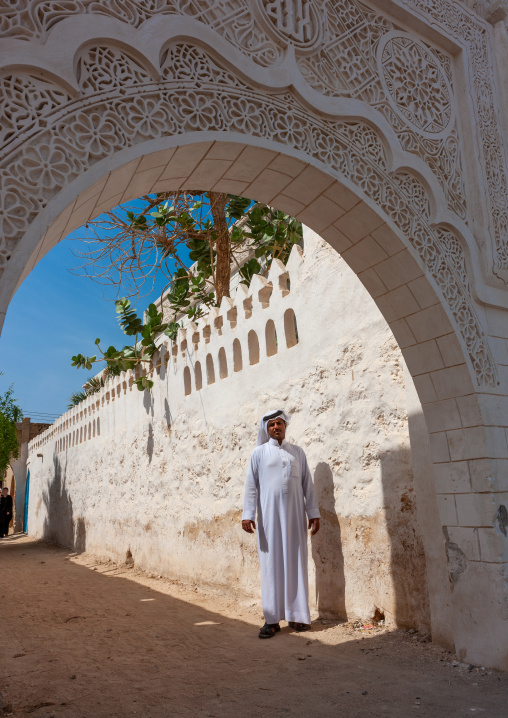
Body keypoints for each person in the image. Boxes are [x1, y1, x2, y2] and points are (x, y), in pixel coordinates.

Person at [242, 409, 321, 639]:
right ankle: (272, 619)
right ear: (266, 429)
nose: (276, 427)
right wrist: (248, 515)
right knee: (271, 566)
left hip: (295, 518)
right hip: (268, 519)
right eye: (271, 425)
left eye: (280, 423)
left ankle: (297, 616)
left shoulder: (297, 453)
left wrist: (313, 512)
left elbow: (307, 484)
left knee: (296, 563)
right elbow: (251, 486)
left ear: (285, 427)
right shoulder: (258, 453)